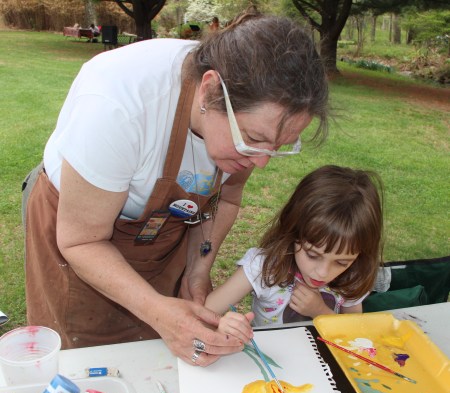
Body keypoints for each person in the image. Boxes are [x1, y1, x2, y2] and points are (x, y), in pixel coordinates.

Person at [22, 12, 329, 366]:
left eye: (278, 147)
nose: (261, 162)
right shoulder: (119, 105)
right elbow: (81, 241)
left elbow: (226, 198)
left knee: (155, 360)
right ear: (210, 90)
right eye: (253, 139)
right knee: (87, 362)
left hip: (159, 232)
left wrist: (197, 270)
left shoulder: (248, 122)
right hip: (80, 235)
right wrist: (159, 312)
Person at [205, 165, 384, 342]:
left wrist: (321, 312)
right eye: (312, 255)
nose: (322, 273)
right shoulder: (263, 267)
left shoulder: (353, 275)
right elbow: (204, 314)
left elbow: (355, 333)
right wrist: (222, 325)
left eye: (342, 262)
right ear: (293, 232)